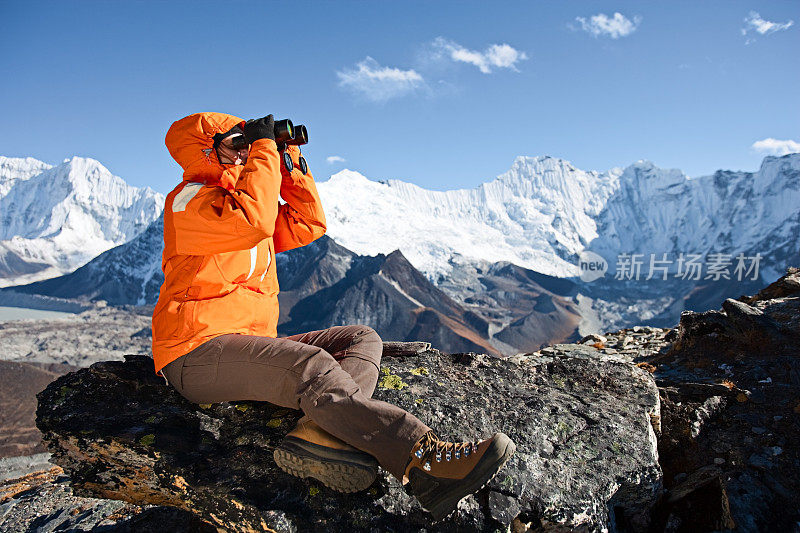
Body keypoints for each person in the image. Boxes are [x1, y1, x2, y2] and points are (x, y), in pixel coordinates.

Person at [151, 111, 516, 520]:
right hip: (195, 353)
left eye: (248, 143)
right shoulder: (190, 203)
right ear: (204, 151)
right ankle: (423, 462)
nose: (246, 152)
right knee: (312, 365)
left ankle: (320, 434)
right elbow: (252, 222)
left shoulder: (241, 200)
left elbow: (309, 224)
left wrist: (290, 167)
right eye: (238, 143)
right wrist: (266, 149)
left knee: (361, 338)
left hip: (245, 345)